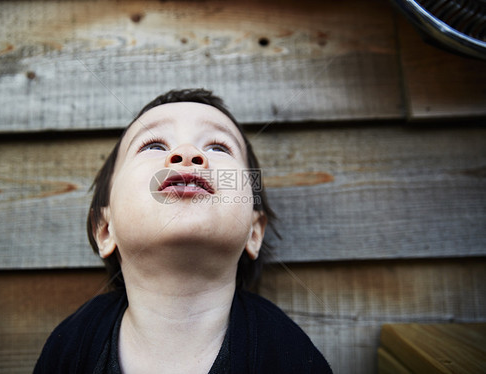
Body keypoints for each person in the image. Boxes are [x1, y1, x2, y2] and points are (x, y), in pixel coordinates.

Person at [33, 89, 332, 373]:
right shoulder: (70, 349)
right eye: (153, 146)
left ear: (254, 232)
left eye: (217, 147)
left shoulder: (290, 356)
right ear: (105, 229)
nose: (187, 153)